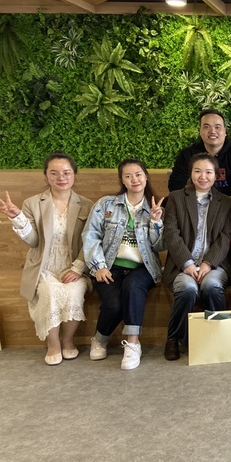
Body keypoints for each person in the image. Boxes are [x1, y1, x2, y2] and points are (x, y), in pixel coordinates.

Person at [0, 152, 92, 365]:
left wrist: (77, 268)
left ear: (74, 175)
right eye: (54, 173)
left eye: (66, 172)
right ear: (46, 175)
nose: (61, 177)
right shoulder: (33, 203)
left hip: (74, 265)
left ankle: (67, 341)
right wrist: (18, 218)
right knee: (49, 292)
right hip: (44, 266)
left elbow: (90, 241)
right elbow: (33, 241)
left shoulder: (87, 205)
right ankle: (53, 344)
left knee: (74, 292)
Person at [82, 159, 165, 371]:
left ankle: (133, 345)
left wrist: (156, 222)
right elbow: (90, 236)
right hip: (110, 265)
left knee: (132, 287)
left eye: (138, 174)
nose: (134, 179)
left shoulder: (155, 207)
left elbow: (160, 246)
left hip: (144, 268)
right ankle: (99, 339)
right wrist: (99, 266)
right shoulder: (106, 204)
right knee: (113, 304)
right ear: (122, 180)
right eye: (128, 176)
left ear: (146, 177)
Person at [162, 154, 231, 361]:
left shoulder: (227, 203)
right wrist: (187, 263)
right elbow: (171, 233)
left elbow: (225, 237)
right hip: (182, 264)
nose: (203, 176)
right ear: (191, 174)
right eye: (198, 171)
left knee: (211, 286)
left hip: (215, 264)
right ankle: (173, 339)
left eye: (208, 172)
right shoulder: (176, 198)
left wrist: (208, 263)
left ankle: (217, 338)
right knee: (188, 289)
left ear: (216, 175)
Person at [168, 109, 231, 202]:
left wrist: (227, 203)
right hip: (195, 204)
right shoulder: (187, 154)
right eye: (206, 127)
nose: (212, 131)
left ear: (225, 131)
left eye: (217, 127)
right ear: (200, 131)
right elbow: (176, 185)